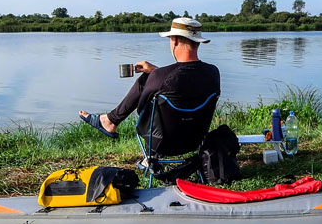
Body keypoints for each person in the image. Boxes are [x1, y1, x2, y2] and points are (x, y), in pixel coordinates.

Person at [79, 17, 220, 139]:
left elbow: (141, 109)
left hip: (162, 143)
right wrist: (156, 72)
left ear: (175, 40)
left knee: (148, 86)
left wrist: (153, 75)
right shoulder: (213, 72)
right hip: (195, 140)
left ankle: (110, 121)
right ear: (198, 42)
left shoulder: (160, 76)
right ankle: (110, 120)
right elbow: (187, 80)